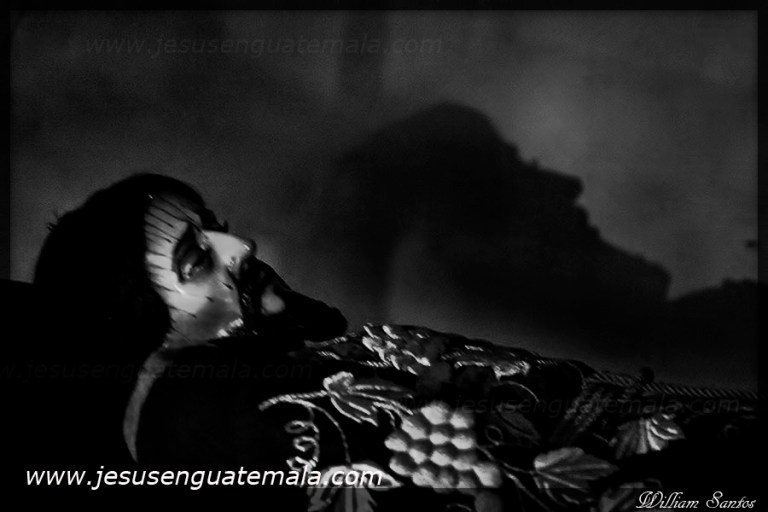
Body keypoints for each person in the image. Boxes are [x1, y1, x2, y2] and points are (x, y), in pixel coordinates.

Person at [27, 173, 758, 510]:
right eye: (196, 259)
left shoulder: (259, 365)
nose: (240, 245)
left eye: (216, 226)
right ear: (139, 322)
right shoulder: (210, 415)